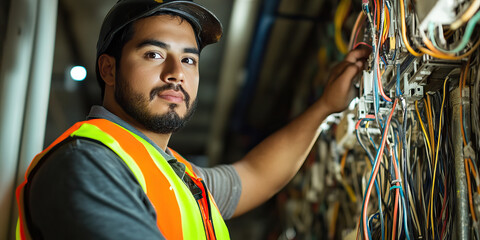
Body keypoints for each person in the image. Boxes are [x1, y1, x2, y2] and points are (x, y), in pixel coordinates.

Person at [15, 0, 370, 239]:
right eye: (154, 54)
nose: (176, 74)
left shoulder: (168, 172)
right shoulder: (88, 163)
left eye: (189, 60)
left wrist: (325, 106)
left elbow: (256, 175)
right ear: (108, 69)